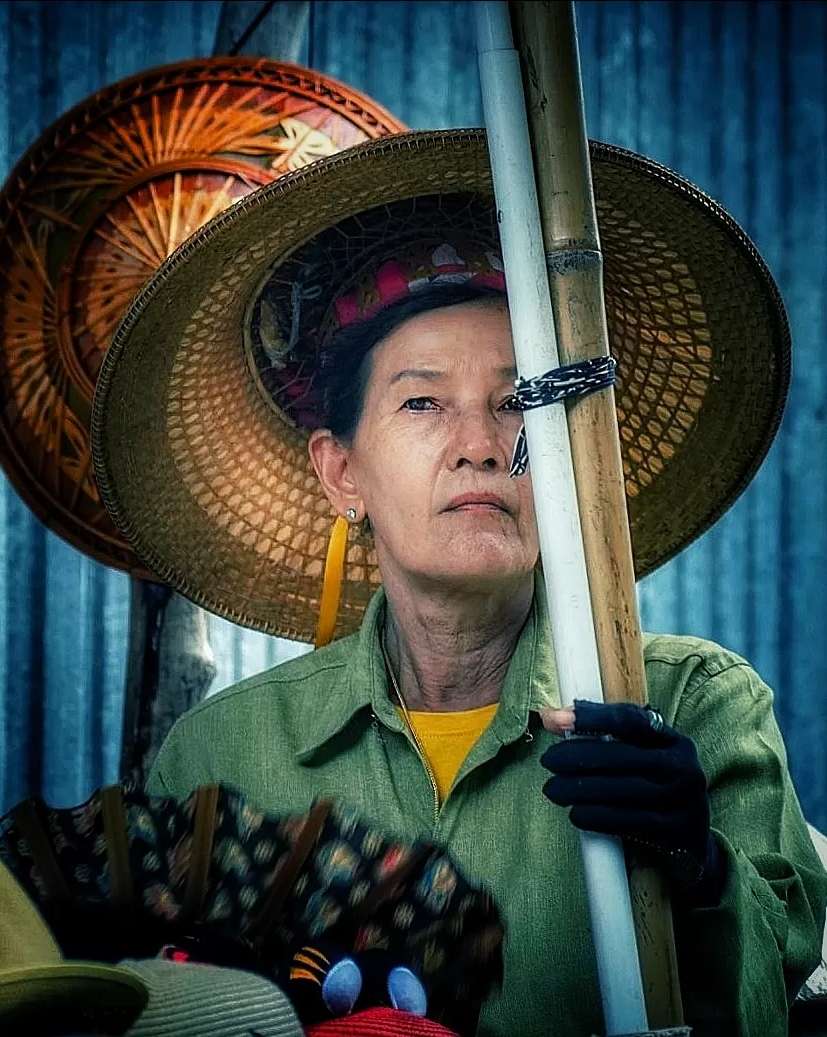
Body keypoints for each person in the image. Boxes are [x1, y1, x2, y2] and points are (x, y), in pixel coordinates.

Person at [91, 131, 827, 1037]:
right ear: (340, 472)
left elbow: (776, 1003)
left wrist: (697, 862)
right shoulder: (223, 759)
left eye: (519, 400)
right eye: (422, 400)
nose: (480, 442)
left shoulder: (689, 706)